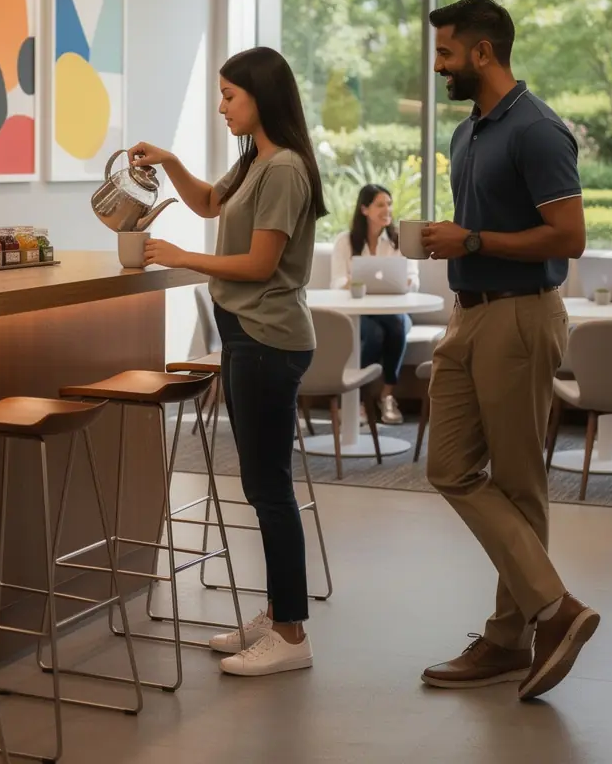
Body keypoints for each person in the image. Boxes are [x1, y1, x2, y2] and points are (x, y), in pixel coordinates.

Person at [418, 0, 598, 701]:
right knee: (448, 466)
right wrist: (457, 238)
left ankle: (508, 637)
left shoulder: (537, 129)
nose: (439, 67)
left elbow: (569, 236)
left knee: (520, 484)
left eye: (446, 54)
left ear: (483, 52)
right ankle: (555, 608)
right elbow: (481, 229)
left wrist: (473, 241)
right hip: (468, 315)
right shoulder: (470, 134)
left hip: (521, 317)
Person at [131, 45, 326, 677]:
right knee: (262, 483)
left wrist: (181, 257)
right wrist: (172, 162)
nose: (221, 107)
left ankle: (292, 636)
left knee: (268, 487)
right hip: (248, 333)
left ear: (260, 99)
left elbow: (260, 265)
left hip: (269, 336)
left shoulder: (286, 169)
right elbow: (211, 203)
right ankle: (278, 612)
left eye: (229, 96)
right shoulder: (256, 162)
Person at [330, 184, 420, 423]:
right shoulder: (345, 242)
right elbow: (337, 282)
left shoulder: (399, 241)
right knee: (376, 335)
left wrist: (407, 281)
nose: (387, 209)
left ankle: (386, 395)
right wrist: (355, 282)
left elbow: (415, 281)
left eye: (389, 204)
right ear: (364, 209)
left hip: (395, 313)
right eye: (381, 204)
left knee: (398, 324)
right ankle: (356, 398)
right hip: (360, 315)